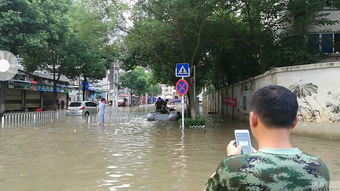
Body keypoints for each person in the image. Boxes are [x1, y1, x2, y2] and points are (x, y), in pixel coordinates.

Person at [205, 85, 329, 191]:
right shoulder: (319, 168)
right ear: (294, 122)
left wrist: (231, 158)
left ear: (253, 119)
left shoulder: (233, 167)